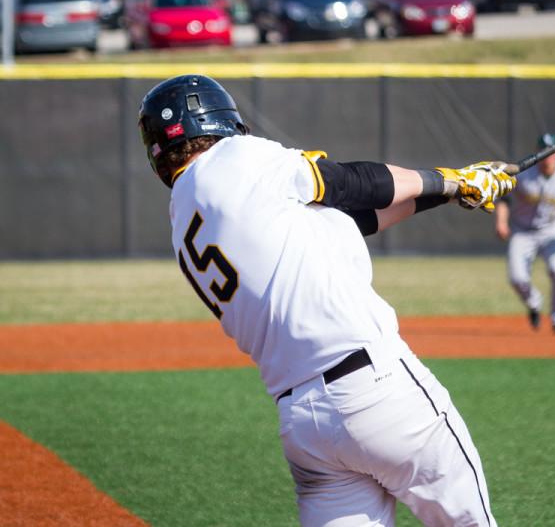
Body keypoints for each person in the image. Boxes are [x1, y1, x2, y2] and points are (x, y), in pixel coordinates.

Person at [138, 75, 516, 526]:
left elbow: (349, 218)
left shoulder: (185, 219)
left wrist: (450, 191)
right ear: (218, 117)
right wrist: (448, 177)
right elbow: (347, 182)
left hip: (305, 426)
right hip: (380, 393)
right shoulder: (237, 157)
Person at [494, 133, 555, 336]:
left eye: (551, 152)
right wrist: (501, 222)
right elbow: (505, 200)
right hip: (522, 231)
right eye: (543, 151)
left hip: (552, 232)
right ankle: (534, 302)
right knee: (517, 278)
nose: (547, 156)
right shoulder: (523, 175)